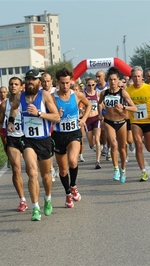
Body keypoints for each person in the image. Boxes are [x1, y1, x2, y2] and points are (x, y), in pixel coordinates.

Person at [8, 69, 60, 221]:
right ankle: (35, 207)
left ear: (39, 81)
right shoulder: (20, 96)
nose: (31, 82)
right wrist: (11, 121)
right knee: (32, 173)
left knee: (45, 176)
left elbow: (56, 117)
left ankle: (48, 198)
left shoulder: (44, 96)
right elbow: (14, 108)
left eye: (34, 79)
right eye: (28, 79)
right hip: (28, 140)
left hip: (44, 140)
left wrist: (39, 114)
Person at [52, 67, 91, 208]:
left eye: (67, 83)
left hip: (74, 133)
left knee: (73, 161)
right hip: (58, 135)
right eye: (62, 83)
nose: (65, 86)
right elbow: (47, 115)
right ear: (57, 82)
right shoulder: (52, 98)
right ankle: (68, 193)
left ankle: (73, 186)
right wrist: (55, 114)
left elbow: (89, 104)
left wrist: (84, 119)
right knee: (62, 170)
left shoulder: (77, 95)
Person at [98, 67, 137, 183]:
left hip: (121, 122)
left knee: (122, 148)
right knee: (113, 145)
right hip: (109, 122)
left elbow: (134, 108)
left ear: (118, 80)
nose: (113, 82)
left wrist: (124, 107)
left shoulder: (123, 93)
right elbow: (99, 103)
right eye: (110, 80)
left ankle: (123, 169)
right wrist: (101, 114)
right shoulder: (104, 93)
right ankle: (115, 169)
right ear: (107, 80)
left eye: (115, 80)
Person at [0, 77, 27, 211]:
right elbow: (0, 122)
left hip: (27, 138)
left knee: (32, 171)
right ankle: (22, 200)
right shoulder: (4, 104)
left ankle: (35, 193)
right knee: (16, 169)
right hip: (12, 139)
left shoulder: (27, 101)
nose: (13, 86)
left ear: (21, 87)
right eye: (11, 84)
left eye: (16, 84)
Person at [126, 66, 150, 181]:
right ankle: (143, 171)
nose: (137, 79)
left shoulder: (149, 88)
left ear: (142, 78)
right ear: (132, 77)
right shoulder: (127, 91)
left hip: (149, 120)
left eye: (139, 76)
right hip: (135, 121)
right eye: (134, 76)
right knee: (138, 145)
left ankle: (145, 140)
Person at [41, 72, 58, 181]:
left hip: (58, 123)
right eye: (44, 81)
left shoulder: (57, 92)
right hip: (46, 124)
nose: (46, 83)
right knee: (49, 146)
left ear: (52, 81)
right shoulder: (39, 93)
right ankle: (51, 168)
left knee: (59, 149)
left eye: (48, 81)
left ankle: (59, 167)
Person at [84, 78, 102, 169]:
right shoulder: (83, 95)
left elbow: (101, 105)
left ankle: (97, 161)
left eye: (93, 85)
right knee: (91, 143)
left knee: (97, 138)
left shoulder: (98, 94)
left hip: (96, 118)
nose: (91, 87)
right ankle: (93, 146)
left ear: (95, 85)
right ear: (86, 85)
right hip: (87, 120)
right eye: (89, 85)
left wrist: (102, 115)